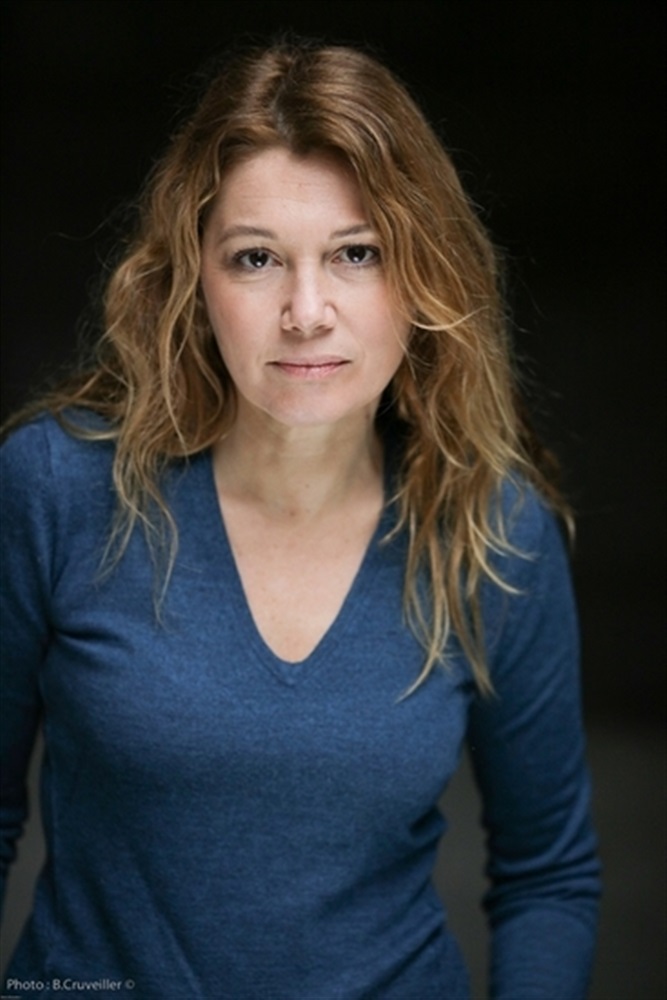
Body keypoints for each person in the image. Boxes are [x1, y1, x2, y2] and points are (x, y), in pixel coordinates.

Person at [0, 38, 600, 1000]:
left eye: (357, 254)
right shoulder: (54, 488)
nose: (306, 311)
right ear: (192, 280)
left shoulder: (491, 528)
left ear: (424, 275)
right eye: (256, 259)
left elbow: (547, 875)